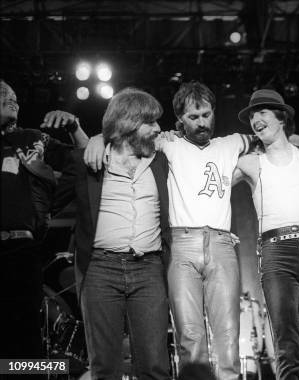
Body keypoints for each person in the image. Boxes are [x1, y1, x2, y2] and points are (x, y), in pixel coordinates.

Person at [84, 81, 299, 380]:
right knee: (191, 337)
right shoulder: (166, 143)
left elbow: (273, 134)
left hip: (221, 244)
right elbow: (125, 137)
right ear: (180, 120)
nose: (202, 122)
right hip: (182, 246)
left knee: (228, 336)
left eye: (207, 114)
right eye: (193, 117)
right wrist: (97, 138)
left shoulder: (232, 143)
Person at [53, 87, 170, 379]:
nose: (158, 128)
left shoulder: (163, 159)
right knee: (104, 367)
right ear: (129, 123)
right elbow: (50, 202)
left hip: (149, 269)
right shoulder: (88, 161)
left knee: (155, 366)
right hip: (100, 270)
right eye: (151, 122)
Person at [232, 89, 299, 379]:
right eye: (251, 115)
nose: (255, 119)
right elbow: (215, 187)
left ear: (281, 117)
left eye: (262, 112)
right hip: (277, 253)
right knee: (287, 346)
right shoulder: (251, 162)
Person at [0, 78, 89, 361]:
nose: (12, 99)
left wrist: (74, 126)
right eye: (3, 94)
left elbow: (88, 158)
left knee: (25, 340)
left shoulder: (34, 138)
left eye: (14, 95)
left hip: (19, 251)